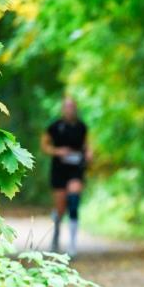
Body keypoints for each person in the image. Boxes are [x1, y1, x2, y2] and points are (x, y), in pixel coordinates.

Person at [41, 97, 92, 257]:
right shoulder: (55, 126)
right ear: (63, 109)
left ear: (75, 109)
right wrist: (58, 151)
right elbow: (44, 145)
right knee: (60, 208)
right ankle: (56, 235)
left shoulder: (82, 127)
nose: (70, 110)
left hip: (76, 168)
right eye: (67, 107)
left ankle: (72, 244)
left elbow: (87, 145)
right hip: (59, 169)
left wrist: (89, 154)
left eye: (72, 107)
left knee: (74, 201)